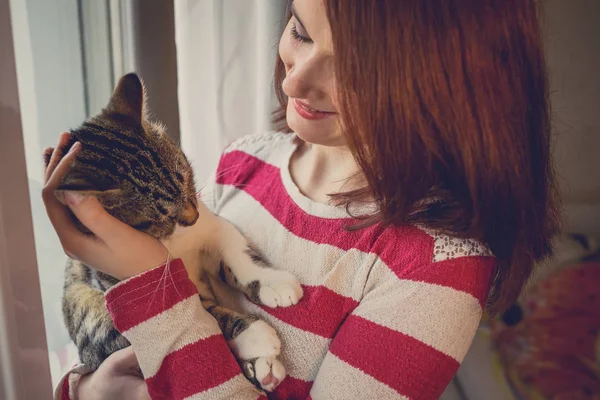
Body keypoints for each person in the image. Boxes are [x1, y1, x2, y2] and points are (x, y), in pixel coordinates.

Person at [46, 0, 560, 399]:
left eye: (353, 68)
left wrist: (148, 285)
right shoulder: (245, 161)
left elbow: (170, 328)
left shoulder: (433, 269)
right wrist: (87, 389)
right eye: (300, 30)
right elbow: (124, 354)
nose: (293, 78)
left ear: (451, 84)